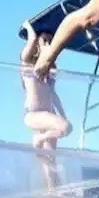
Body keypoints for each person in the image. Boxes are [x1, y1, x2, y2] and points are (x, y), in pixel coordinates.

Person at [20, 21, 72, 150]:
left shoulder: (51, 68)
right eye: (44, 40)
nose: (48, 44)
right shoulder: (28, 61)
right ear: (37, 43)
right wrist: (28, 26)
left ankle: (41, 141)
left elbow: (53, 94)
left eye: (50, 41)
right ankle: (39, 138)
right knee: (65, 127)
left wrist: (63, 114)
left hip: (49, 113)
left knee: (49, 157)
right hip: (34, 113)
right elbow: (32, 40)